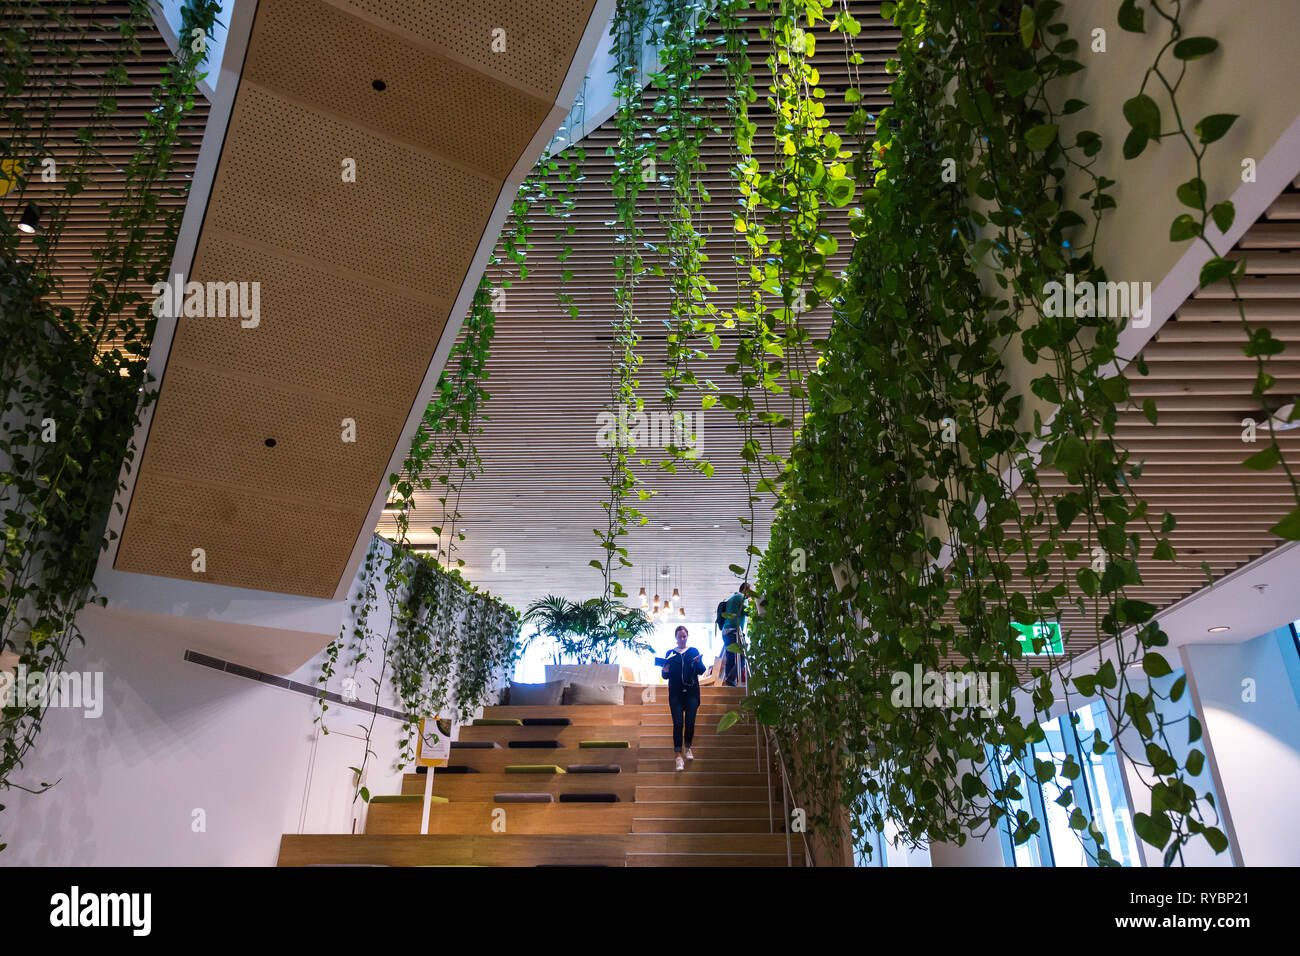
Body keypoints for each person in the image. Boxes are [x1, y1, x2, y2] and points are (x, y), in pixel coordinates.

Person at [661, 625, 705, 771]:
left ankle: (688, 747)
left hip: (692, 693)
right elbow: (665, 676)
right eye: (679, 636)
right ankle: (678, 757)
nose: (682, 639)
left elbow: (701, 670)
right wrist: (665, 670)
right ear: (676, 637)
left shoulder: (693, 651)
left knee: (690, 722)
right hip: (676, 694)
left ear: (687, 636)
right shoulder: (670, 653)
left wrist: (698, 662)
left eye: (684, 636)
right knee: (678, 723)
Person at [719, 582, 751, 686]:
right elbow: (747, 612)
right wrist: (751, 603)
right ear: (746, 590)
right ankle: (731, 677)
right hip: (735, 631)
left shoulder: (732, 598)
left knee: (730, 657)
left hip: (725, 631)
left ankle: (729, 681)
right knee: (743, 657)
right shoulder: (742, 597)